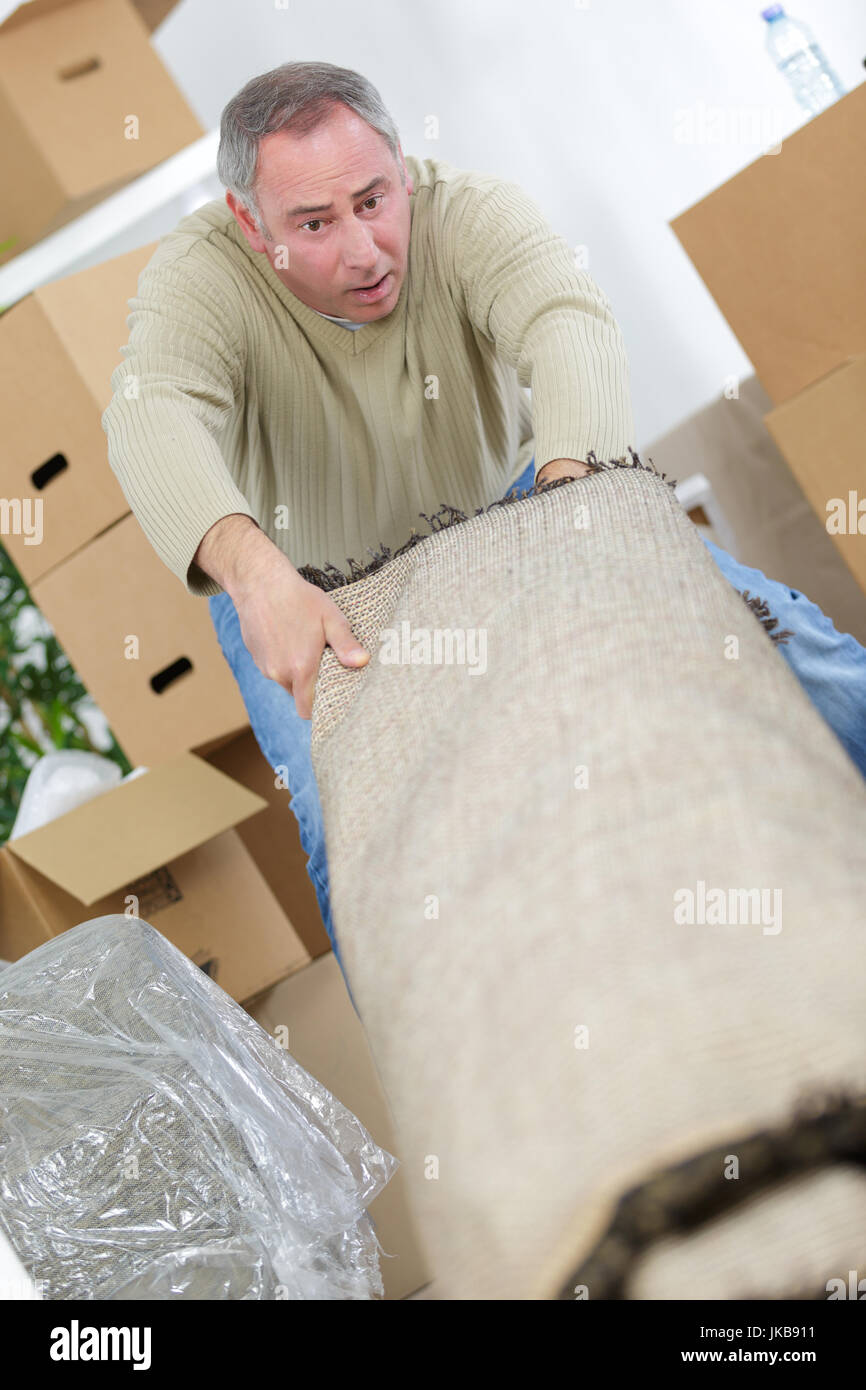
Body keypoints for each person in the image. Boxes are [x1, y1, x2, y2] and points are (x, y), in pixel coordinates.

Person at [102, 61, 866, 977]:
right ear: (248, 223)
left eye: (375, 198)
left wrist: (573, 496)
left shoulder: (467, 211)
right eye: (313, 224)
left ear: (398, 161)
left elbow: (565, 320)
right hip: (305, 580)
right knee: (344, 826)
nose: (365, 250)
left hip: (518, 504)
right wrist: (255, 574)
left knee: (789, 651)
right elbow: (151, 412)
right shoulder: (200, 277)